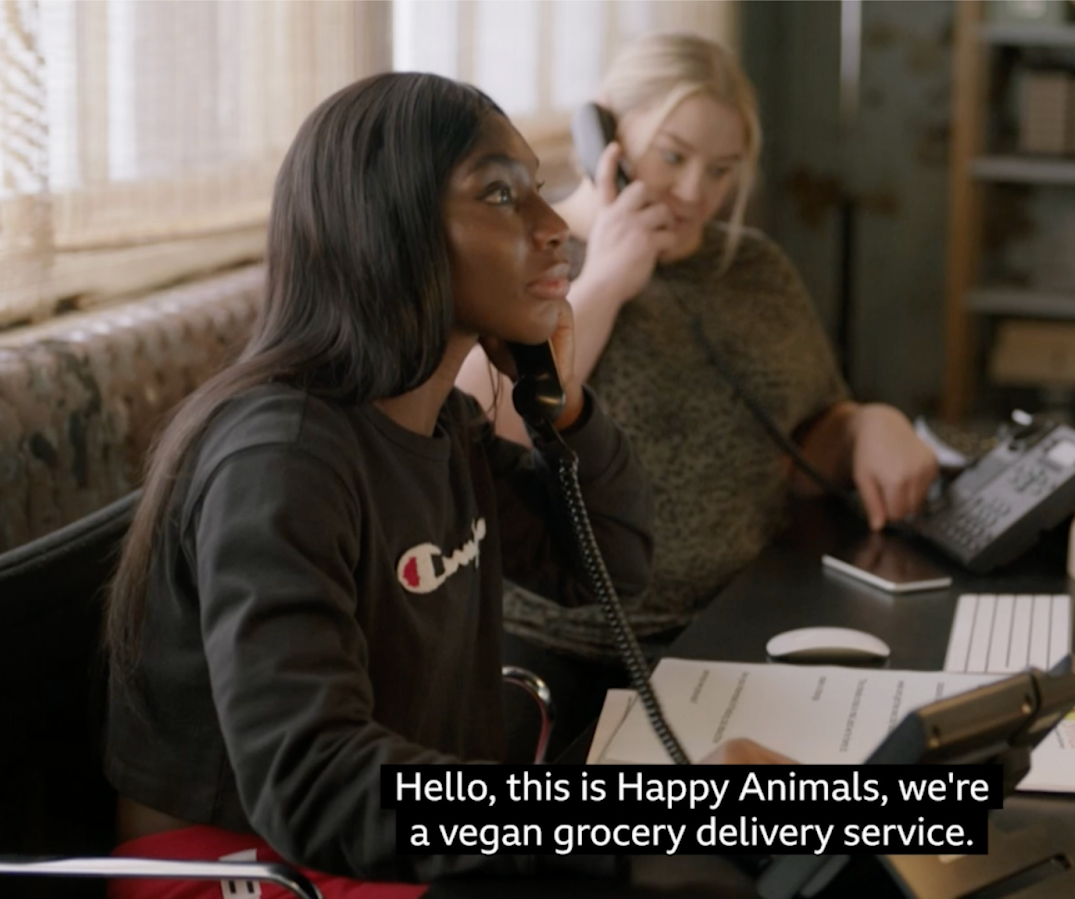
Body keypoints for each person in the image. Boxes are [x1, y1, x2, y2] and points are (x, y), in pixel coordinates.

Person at [102, 72, 784, 898]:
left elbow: (611, 558)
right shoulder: (279, 460)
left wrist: (559, 405)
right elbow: (311, 782)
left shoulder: (434, 423)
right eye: (500, 194)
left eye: (537, 189)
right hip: (251, 870)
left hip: (380, 839)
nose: (554, 227)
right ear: (390, 230)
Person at [457, 34, 941, 751]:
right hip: (561, 650)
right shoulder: (517, 255)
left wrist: (869, 421)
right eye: (674, 156)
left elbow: (802, 441)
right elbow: (477, 426)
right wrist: (610, 278)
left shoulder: (754, 269)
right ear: (606, 134)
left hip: (741, 626)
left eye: (721, 170)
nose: (695, 193)